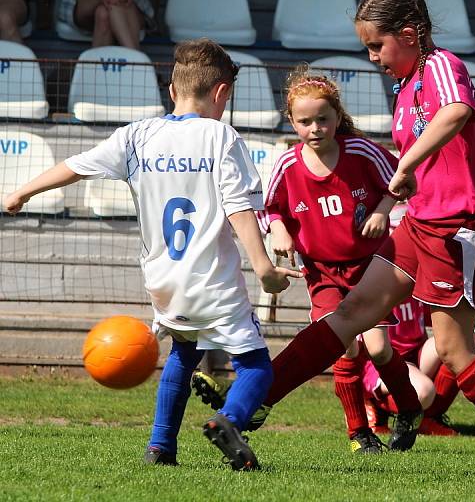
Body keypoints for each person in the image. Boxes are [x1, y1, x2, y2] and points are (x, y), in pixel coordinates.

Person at [203, 0, 475, 477]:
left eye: (377, 45)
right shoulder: (410, 84)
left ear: (409, 34)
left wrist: (412, 166)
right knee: (351, 311)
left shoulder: (441, 66)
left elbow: (458, 116)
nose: (372, 56)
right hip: (422, 223)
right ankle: (252, 406)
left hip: (456, 230)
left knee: (455, 349)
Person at [2, 38, 302, 471]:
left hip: (163, 281)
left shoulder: (137, 135)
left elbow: (77, 165)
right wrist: (263, 268)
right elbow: (239, 206)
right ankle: (229, 422)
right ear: (221, 93)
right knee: (256, 365)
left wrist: (22, 191)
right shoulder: (220, 136)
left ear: (172, 90)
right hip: (213, 279)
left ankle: (160, 446)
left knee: (184, 352)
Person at [193, 66, 425, 454]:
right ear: (292, 122)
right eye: (305, 122)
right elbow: (269, 209)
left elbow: (400, 183)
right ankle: (359, 434)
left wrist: (383, 210)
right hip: (322, 272)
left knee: (381, 349)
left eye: (323, 119)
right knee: (344, 347)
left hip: (371, 267)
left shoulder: (362, 152)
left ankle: (410, 409)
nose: (315, 128)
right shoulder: (287, 164)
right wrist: (278, 229)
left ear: (337, 117)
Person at [361, 295, 459, 437]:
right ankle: (374, 402)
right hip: (385, 363)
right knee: (424, 392)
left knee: (456, 346)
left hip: (415, 356)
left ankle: (427, 418)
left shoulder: (415, 285)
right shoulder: (378, 288)